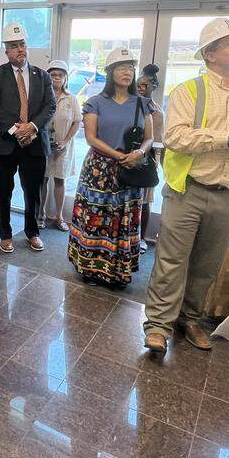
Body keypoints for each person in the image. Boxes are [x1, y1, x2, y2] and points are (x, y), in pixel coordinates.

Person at [143, 18, 229, 353]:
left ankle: (191, 319)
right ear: (210, 54)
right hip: (188, 191)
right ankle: (158, 326)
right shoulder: (189, 91)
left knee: (208, 265)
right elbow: (175, 137)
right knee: (171, 261)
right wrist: (226, 139)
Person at [67, 47, 152, 288]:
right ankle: (89, 268)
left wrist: (139, 153)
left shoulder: (142, 104)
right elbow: (91, 138)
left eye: (131, 68)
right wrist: (118, 156)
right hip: (99, 170)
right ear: (110, 72)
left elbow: (149, 138)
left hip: (130, 169)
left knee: (124, 218)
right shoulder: (95, 102)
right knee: (95, 217)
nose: (127, 72)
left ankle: (118, 272)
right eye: (121, 68)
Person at [0, 22, 56, 253]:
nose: (20, 49)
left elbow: (50, 106)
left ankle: (32, 232)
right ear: (6, 51)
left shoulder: (42, 76)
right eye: (14, 46)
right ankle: (5, 235)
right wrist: (16, 130)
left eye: (22, 44)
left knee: (32, 192)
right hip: (4, 144)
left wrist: (31, 127)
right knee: (3, 192)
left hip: (34, 144)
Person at [39, 60, 82, 232]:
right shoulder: (42, 97)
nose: (56, 78)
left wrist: (65, 141)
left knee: (60, 180)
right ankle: (41, 214)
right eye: (53, 75)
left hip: (63, 147)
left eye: (60, 75)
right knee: (42, 180)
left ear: (65, 78)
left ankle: (59, 216)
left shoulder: (71, 99)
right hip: (43, 146)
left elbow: (77, 122)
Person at [136, 64, 165, 253]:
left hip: (147, 161)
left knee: (145, 201)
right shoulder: (128, 105)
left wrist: (157, 164)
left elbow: (157, 141)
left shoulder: (157, 112)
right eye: (138, 85)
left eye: (144, 85)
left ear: (153, 87)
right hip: (126, 157)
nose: (140, 88)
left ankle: (142, 238)